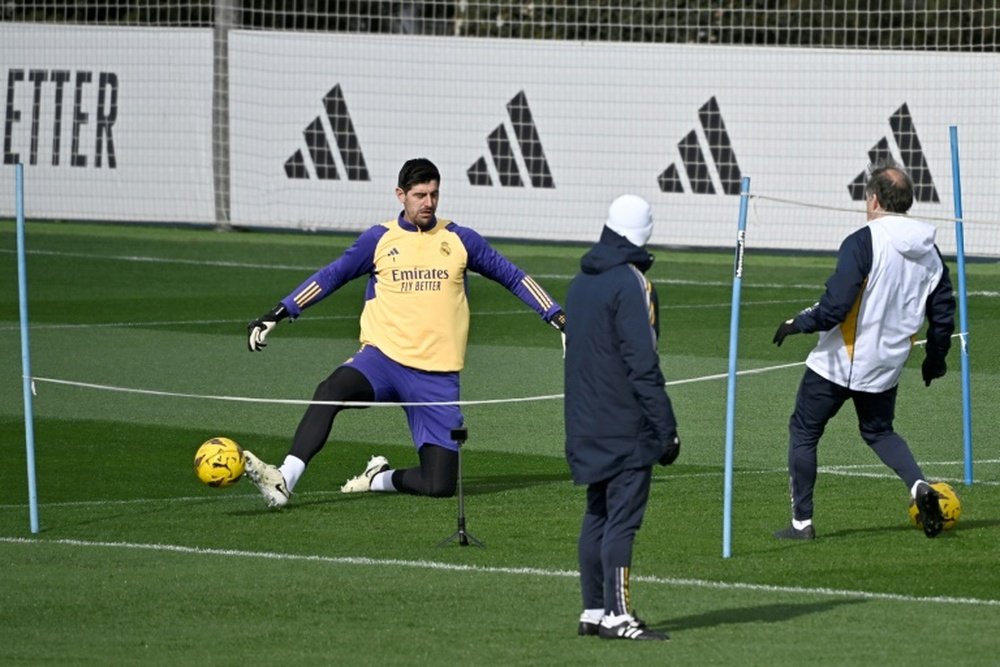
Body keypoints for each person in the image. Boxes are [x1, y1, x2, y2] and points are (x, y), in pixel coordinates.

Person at [242, 157, 566, 508]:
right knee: (331, 389)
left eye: (434, 194)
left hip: (436, 377)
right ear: (401, 195)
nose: (428, 203)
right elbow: (332, 275)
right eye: (419, 195)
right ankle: (284, 479)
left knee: (439, 485)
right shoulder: (379, 239)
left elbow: (512, 275)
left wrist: (558, 316)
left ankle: (377, 478)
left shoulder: (459, 239)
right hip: (383, 359)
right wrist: (279, 312)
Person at [772, 158, 956, 540]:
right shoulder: (932, 253)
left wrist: (796, 323)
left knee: (804, 431)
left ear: (873, 200)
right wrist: (934, 361)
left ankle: (801, 523)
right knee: (879, 432)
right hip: (886, 366)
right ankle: (920, 486)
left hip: (840, 361)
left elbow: (835, 306)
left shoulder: (863, 241)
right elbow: (942, 318)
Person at [564, 194, 680, 641]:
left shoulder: (580, 283)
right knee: (622, 521)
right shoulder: (631, 283)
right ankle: (618, 614)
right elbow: (642, 362)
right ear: (644, 232)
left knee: (597, 513)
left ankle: (593, 609)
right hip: (625, 423)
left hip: (585, 420)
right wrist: (665, 428)